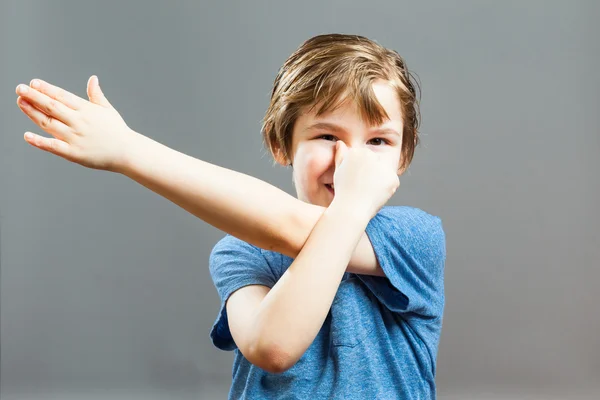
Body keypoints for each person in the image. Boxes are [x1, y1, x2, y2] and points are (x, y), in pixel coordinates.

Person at [15, 33, 445, 399]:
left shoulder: (414, 235)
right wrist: (353, 204)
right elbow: (272, 346)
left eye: (378, 142)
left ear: (403, 156)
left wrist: (131, 152)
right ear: (282, 145)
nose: (349, 161)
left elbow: (292, 225)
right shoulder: (240, 251)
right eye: (327, 135)